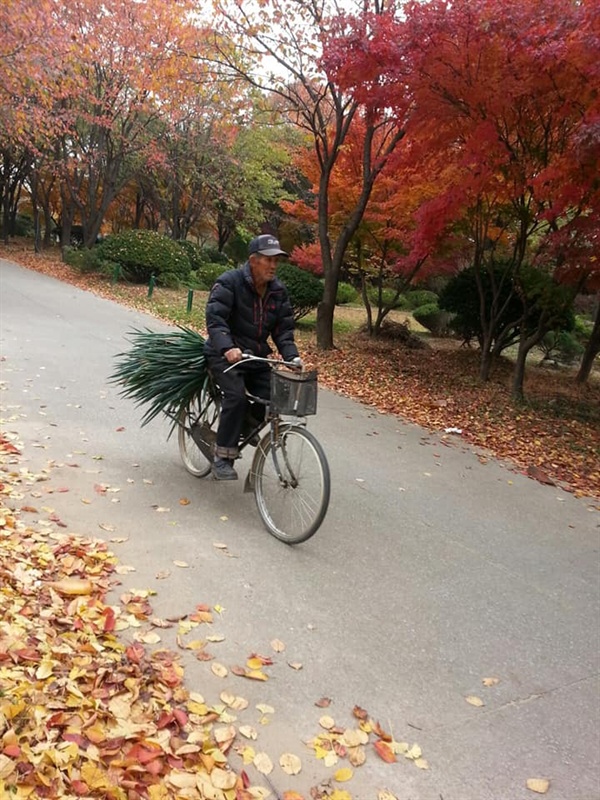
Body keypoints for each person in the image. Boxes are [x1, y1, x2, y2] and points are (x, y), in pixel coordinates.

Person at [204, 234, 302, 480]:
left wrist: (292, 357)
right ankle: (222, 457)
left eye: (276, 261)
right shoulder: (230, 282)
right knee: (236, 396)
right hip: (223, 353)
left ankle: (245, 424)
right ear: (253, 260)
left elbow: (283, 330)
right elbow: (216, 320)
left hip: (255, 355)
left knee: (275, 395)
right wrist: (227, 347)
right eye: (268, 260)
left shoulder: (278, 291)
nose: (273, 266)